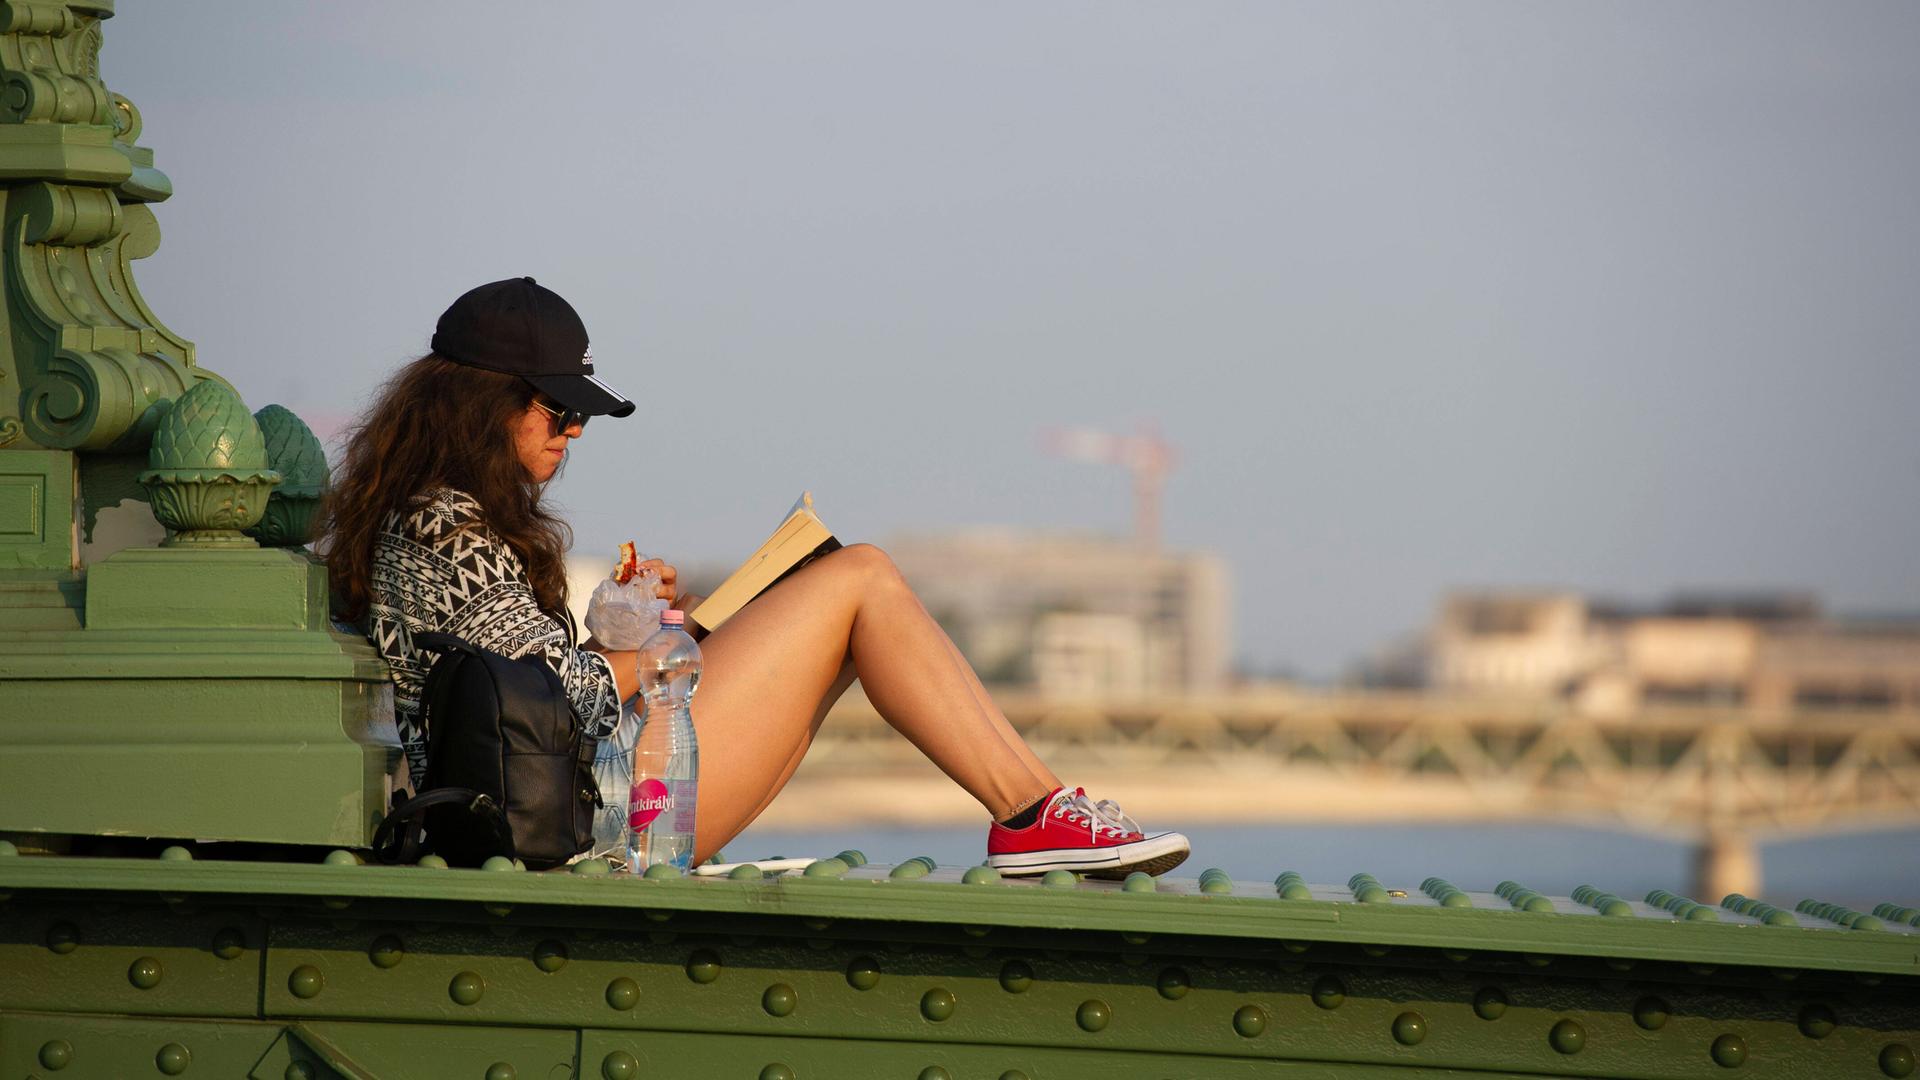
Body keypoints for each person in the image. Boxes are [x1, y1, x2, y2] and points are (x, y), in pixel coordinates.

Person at [322, 277, 1189, 878]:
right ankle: (1035, 815)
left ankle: (1037, 812)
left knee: (855, 610)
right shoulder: (444, 522)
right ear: (482, 401)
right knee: (861, 579)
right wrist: (657, 644)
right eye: (561, 409)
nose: (575, 432)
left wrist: (649, 634)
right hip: (580, 820)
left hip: (552, 803)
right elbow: (560, 702)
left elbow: (516, 696)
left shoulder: (427, 516)